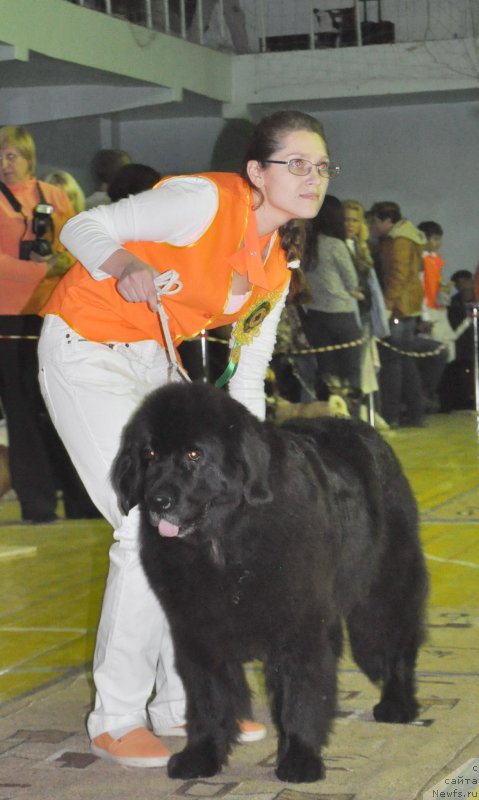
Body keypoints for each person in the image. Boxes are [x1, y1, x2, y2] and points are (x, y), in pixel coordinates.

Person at [37, 109, 334, 767]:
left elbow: (248, 374)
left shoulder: (277, 264)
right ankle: (115, 717)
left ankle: (186, 704)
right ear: (256, 172)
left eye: (320, 166)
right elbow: (82, 224)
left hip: (154, 367)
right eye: (296, 163)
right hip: (85, 350)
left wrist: (255, 459)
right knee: (144, 524)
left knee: (202, 526)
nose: (310, 177)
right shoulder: (200, 202)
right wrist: (120, 264)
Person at [0, 125, 97, 522]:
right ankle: (37, 506)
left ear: (29, 158)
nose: (5, 164)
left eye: (11, 155)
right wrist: (38, 272)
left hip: (53, 316)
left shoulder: (55, 197)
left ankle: (81, 501)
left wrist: (58, 264)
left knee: (62, 408)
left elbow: (79, 248)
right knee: (21, 414)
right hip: (6, 319)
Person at [368, 201, 447, 427]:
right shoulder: (409, 237)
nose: (372, 226)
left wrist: (386, 306)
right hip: (408, 307)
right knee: (406, 361)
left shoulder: (398, 240)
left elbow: (398, 276)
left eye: (375, 220)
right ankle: (415, 413)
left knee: (392, 362)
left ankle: (392, 415)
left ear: (387, 220)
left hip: (398, 309)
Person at [301, 194, 364, 410]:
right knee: (351, 372)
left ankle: (330, 416)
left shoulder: (304, 245)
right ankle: (353, 417)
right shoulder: (335, 245)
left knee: (328, 373)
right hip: (341, 314)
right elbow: (352, 281)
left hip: (315, 316)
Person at [417, 220, 455, 361]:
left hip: (439, 308)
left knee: (448, 350)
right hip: (427, 310)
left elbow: (436, 281)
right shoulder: (420, 259)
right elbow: (420, 287)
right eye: (435, 239)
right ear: (423, 238)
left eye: (439, 239)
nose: (438, 243)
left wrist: (443, 289)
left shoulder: (435, 257)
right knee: (433, 351)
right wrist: (424, 316)